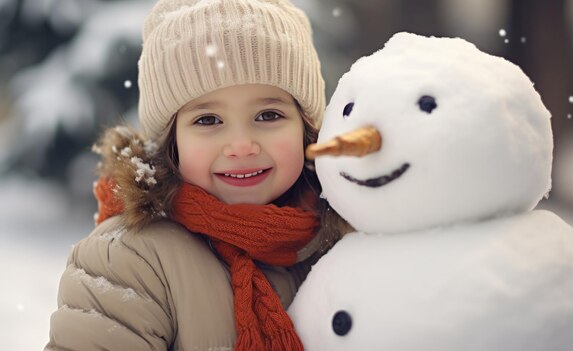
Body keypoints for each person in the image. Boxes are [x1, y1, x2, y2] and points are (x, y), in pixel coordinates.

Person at [45, 0, 350, 350]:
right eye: (208, 120)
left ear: (306, 129)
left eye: (268, 115)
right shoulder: (131, 259)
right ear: (172, 144)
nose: (241, 145)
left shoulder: (339, 240)